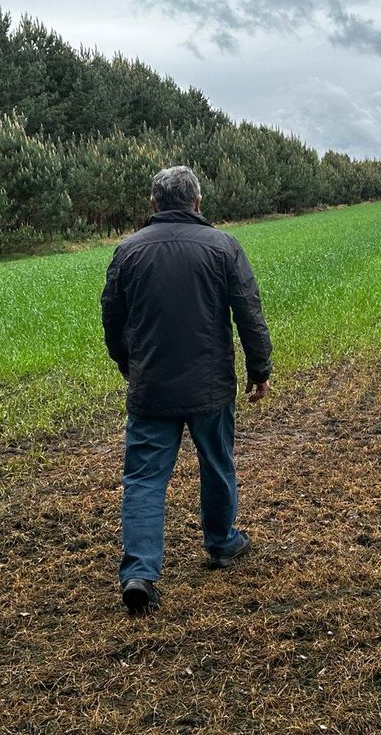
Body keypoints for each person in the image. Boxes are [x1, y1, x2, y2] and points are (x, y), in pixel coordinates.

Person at [101, 165, 272, 615]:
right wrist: (260, 368)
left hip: (150, 386)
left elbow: (112, 321)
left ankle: (139, 571)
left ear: (154, 204)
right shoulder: (222, 246)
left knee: (143, 478)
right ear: (197, 202)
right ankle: (221, 543)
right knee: (217, 464)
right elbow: (248, 313)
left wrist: (129, 366)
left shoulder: (127, 252)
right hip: (210, 386)